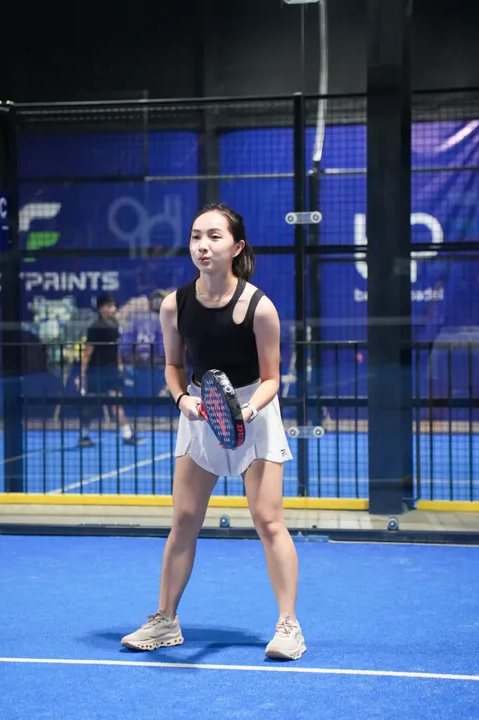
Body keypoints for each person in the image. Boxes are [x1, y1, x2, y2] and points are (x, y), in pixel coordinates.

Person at [120, 203, 305, 661]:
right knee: (184, 520)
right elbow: (173, 366)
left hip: (255, 413)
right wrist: (183, 400)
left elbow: (271, 378)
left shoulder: (260, 307)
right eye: (196, 236)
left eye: (214, 236)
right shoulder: (174, 305)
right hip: (200, 411)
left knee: (269, 520)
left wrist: (246, 411)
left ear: (236, 247)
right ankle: (166, 620)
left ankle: (289, 626)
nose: (203, 245)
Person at [79, 294, 144, 446]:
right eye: (109, 306)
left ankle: (127, 435)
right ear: (101, 309)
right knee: (92, 406)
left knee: (117, 403)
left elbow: (116, 350)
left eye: (113, 306)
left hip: (112, 372)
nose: (113, 309)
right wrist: (82, 374)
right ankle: (84, 435)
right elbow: (87, 352)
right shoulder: (95, 327)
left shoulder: (115, 326)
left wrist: (120, 366)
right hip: (96, 372)